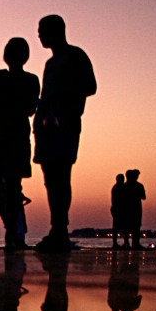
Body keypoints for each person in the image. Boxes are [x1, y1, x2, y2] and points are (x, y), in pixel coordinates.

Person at [32, 15, 96, 252]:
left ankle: (61, 229)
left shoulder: (75, 56)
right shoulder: (50, 64)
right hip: (46, 128)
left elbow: (90, 86)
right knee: (51, 180)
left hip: (66, 125)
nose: (39, 35)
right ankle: (56, 227)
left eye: (42, 30)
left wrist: (62, 101)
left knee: (62, 176)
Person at [0, 37, 40, 249]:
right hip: (18, 137)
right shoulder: (32, 80)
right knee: (14, 188)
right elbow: (31, 110)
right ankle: (12, 236)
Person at [123, 169, 145, 248]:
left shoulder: (124, 186)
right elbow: (144, 197)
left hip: (130, 209)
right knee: (133, 227)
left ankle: (128, 243)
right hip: (134, 209)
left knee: (129, 227)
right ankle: (134, 243)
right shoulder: (139, 186)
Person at [109, 173, 125, 247]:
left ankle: (122, 242)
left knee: (120, 226)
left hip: (118, 208)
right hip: (118, 209)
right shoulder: (118, 188)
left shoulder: (117, 187)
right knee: (118, 227)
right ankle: (115, 243)